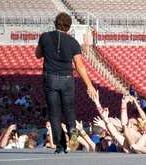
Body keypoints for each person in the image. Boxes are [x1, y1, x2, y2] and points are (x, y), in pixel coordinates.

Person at [35, 12, 97, 154]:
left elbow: (37, 55)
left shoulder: (44, 37)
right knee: (69, 111)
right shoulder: (73, 43)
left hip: (50, 79)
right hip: (67, 79)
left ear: (55, 23)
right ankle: (72, 133)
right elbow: (79, 65)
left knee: (54, 113)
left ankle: (60, 146)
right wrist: (89, 85)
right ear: (69, 27)